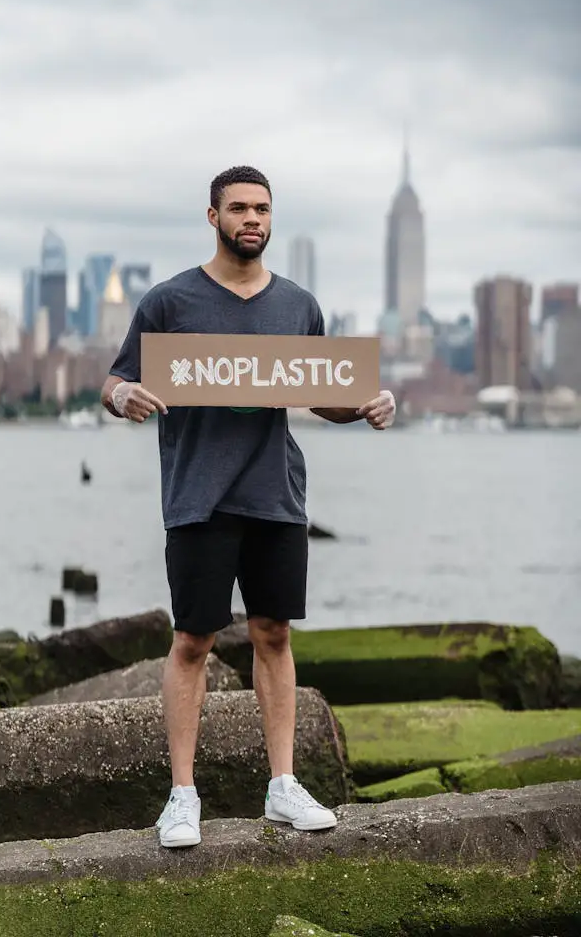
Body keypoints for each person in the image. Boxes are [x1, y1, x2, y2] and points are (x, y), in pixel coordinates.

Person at [101, 165, 396, 848]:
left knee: (274, 634)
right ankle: (182, 797)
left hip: (275, 494)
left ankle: (283, 787)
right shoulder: (170, 302)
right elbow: (117, 378)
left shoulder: (298, 305)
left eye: (262, 208)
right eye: (239, 208)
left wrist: (367, 406)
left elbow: (324, 391)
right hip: (198, 495)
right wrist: (125, 398)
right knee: (192, 642)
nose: (252, 219)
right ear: (214, 217)